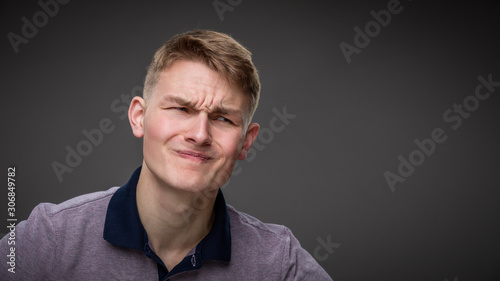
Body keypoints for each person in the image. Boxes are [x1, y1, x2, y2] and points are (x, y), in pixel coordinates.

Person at [1, 30, 332, 280]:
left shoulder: (278, 263)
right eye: (181, 109)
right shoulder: (50, 239)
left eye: (222, 118)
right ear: (138, 117)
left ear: (246, 141)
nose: (199, 135)